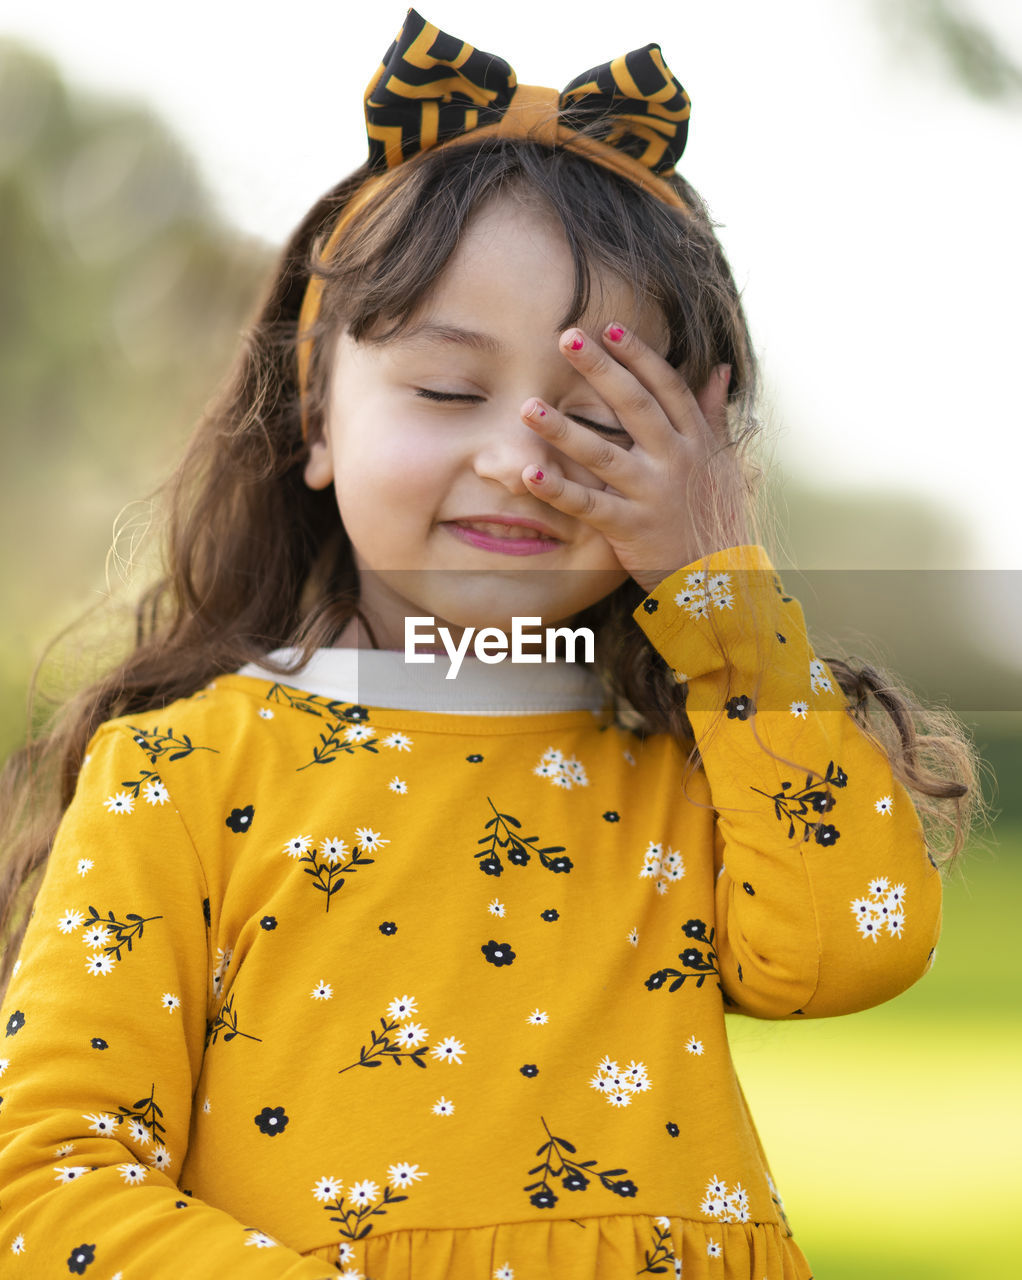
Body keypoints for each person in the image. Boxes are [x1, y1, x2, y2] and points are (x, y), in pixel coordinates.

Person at [0, 10, 978, 1278]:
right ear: (315, 415)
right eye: (450, 392)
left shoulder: (692, 760)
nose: (520, 460)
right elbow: (48, 1179)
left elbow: (857, 939)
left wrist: (720, 600)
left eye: (599, 416)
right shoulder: (182, 774)